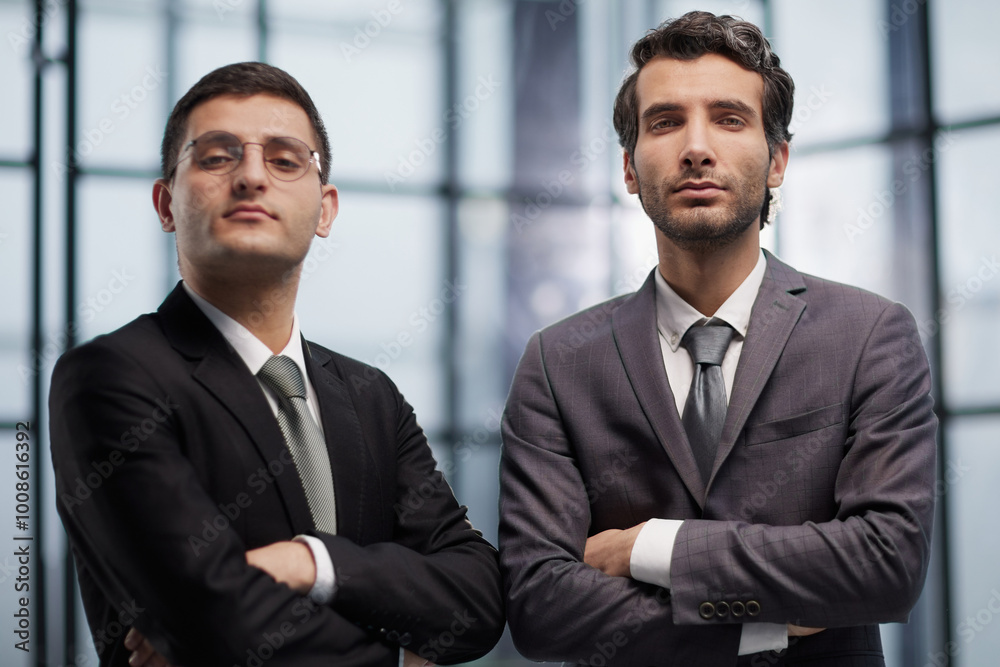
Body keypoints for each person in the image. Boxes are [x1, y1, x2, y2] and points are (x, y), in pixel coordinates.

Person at [499, 11, 937, 666]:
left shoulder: (870, 335)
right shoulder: (559, 360)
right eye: (666, 121)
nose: (696, 147)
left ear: (778, 159)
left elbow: (885, 563)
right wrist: (762, 620)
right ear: (628, 166)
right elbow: (537, 606)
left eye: (729, 119)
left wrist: (649, 547)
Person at [50, 62, 504, 667]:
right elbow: (215, 621)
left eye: (286, 160)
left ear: (325, 210)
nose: (251, 176)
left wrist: (309, 563)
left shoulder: (372, 398)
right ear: (165, 203)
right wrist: (398, 654)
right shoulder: (110, 377)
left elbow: (477, 598)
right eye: (216, 157)